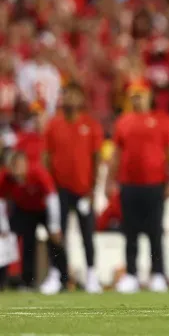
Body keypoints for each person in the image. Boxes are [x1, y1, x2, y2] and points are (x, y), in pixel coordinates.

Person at [107, 80, 169, 293]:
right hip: (129, 184)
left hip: (154, 184)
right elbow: (116, 154)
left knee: (155, 231)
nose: (137, 99)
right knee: (130, 232)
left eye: (140, 95)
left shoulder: (163, 121)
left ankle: (158, 273)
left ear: (148, 96)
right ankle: (131, 274)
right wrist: (109, 181)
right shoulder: (123, 122)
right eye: (133, 96)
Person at [44, 82, 103, 293]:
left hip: (83, 189)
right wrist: (49, 190)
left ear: (81, 99)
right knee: (57, 233)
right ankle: (57, 274)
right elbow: (46, 158)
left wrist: (94, 190)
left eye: (73, 95)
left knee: (88, 234)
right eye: (66, 95)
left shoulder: (90, 125)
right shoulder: (53, 125)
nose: (69, 99)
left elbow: (97, 159)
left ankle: (91, 274)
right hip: (59, 189)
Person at [0, 150, 66, 294]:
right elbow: (1, 201)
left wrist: (54, 226)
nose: (16, 170)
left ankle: (63, 279)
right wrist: (3, 227)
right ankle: (26, 281)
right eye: (13, 166)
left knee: (55, 241)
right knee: (25, 243)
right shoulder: (6, 177)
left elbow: (52, 197)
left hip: (43, 208)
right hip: (24, 210)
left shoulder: (38, 172)